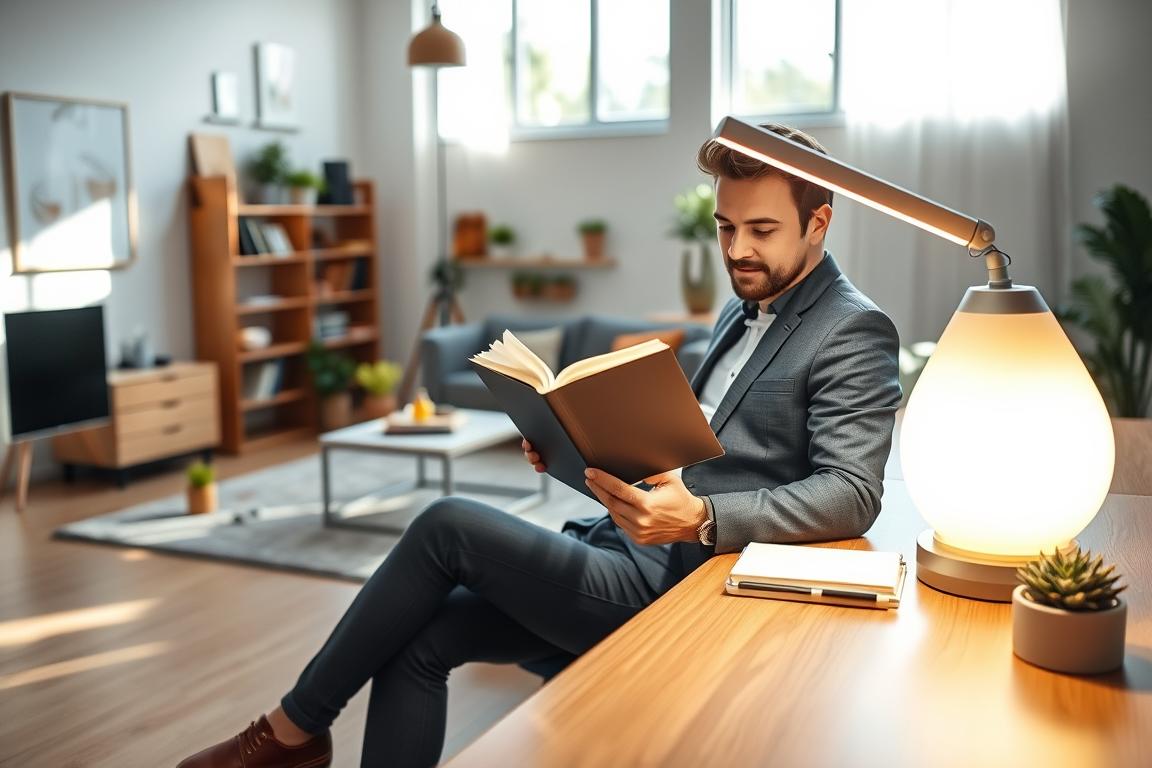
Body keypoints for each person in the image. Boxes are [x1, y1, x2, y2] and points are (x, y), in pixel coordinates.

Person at [176, 124, 901, 768]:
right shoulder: (742, 306)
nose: (738, 250)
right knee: (417, 643)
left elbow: (852, 492)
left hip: (679, 583)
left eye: (762, 231)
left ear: (819, 223)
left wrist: (703, 521)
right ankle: (293, 736)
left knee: (446, 522)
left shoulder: (850, 328)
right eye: (725, 226)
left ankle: (291, 733)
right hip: (623, 546)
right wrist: (572, 444)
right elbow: (691, 459)